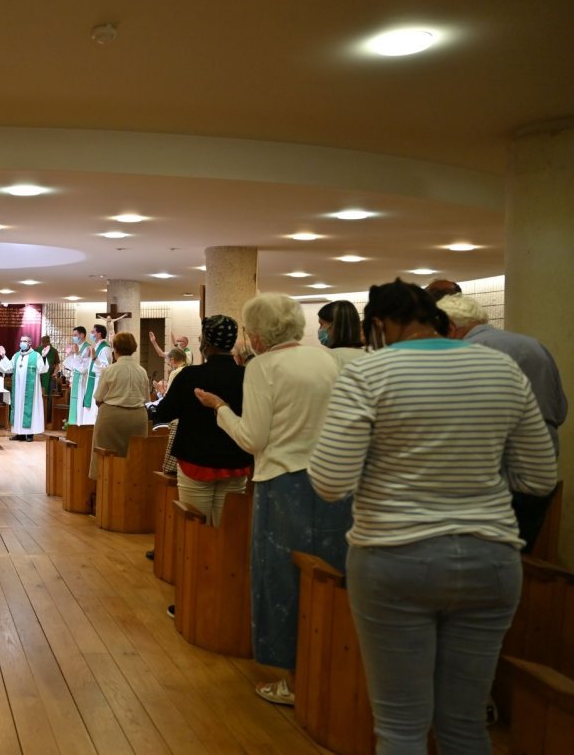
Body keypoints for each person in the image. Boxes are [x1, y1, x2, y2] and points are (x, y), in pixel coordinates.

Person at [309, 279, 557, 753]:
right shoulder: (501, 369)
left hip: (394, 556)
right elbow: (540, 477)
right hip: (491, 558)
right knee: (465, 724)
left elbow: (329, 481)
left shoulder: (370, 373)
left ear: (379, 324)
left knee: (401, 727)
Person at [195, 292, 350, 706]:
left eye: (249, 330)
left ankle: (294, 679)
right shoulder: (325, 359)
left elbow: (252, 439)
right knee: (330, 575)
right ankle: (327, 671)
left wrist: (220, 408)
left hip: (284, 484)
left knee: (281, 578)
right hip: (333, 481)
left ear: (260, 334)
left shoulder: (263, 367)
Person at [438, 293, 567, 552]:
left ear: (451, 328)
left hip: (492, 477)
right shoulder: (534, 345)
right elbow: (560, 409)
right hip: (539, 473)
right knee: (519, 558)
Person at [152, 315, 253, 531]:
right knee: (227, 527)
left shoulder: (190, 375)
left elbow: (165, 412)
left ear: (205, 343)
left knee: (195, 527)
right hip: (235, 458)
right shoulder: (247, 376)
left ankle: (196, 565)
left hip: (196, 458)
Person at [89, 332, 150, 480]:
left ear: (115, 349)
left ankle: (106, 493)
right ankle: (130, 492)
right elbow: (146, 399)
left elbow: (98, 398)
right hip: (138, 418)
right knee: (134, 458)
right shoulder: (142, 371)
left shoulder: (110, 369)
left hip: (112, 417)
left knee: (105, 457)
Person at [0, 335, 46, 442]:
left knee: (29, 409)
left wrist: (44, 357)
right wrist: (3, 356)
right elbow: (9, 368)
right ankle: (19, 433)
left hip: (30, 391)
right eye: (21, 341)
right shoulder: (16, 356)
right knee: (18, 408)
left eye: (25, 341)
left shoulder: (36, 356)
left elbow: (42, 369)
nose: (22, 343)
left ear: (30, 343)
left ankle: (29, 434)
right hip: (18, 389)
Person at [317, 300, 366, 369]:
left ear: (336, 326)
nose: (320, 329)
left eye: (322, 324)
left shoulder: (329, 358)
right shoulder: (371, 356)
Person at [62, 326, 93, 425]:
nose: (73, 337)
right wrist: (70, 355)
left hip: (83, 381)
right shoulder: (77, 347)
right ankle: (73, 426)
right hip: (76, 380)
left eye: (75, 335)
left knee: (80, 404)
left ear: (82, 335)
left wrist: (77, 354)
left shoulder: (88, 348)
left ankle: (79, 426)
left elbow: (84, 368)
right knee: (75, 403)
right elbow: (71, 366)